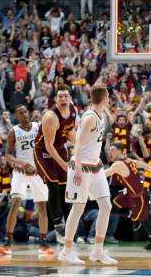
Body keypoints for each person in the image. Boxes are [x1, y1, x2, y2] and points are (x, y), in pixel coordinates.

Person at [58, 85, 117, 265]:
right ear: (105, 97)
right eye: (108, 96)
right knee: (78, 209)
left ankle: (97, 251)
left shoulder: (102, 114)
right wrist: (76, 167)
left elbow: (110, 117)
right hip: (81, 165)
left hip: (95, 165)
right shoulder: (89, 117)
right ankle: (66, 251)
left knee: (106, 206)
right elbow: (78, 144)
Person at [0, 105, 53, 255]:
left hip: (37, 171)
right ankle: (7, 241)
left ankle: (43, 242)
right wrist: (20, 162)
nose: (25, 115)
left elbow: (49, 145)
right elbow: (8, 155)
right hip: (20, 171)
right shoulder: (13, 131)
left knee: (42, 206)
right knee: (15, 203)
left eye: (26, 112)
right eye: (21, 113)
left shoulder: (38, 127)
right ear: (17, 116)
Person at [34, 84, 78, 244]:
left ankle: (70, 228)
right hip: (44, 152)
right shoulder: (50, 116)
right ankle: (57, 221)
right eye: (60, 96)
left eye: (66, 95)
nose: (63, 99)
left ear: (70, 98)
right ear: (55, 99)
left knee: (65, 187)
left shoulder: (73, 110)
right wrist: (64, 165)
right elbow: (48, 146)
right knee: (53, 183)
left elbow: (70, 131)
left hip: (59, 149)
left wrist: (79, 147)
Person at [104, 142, 151, 250]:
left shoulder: (118, 164)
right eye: (109, 150)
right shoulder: (128, 160)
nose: (109, 152)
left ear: (120, 151)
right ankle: (131, 214)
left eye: (112, 150)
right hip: (130, 194)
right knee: (114, 206)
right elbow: (143, 165)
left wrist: (91, 176)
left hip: (137, 196)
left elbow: (106, 173)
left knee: (143, 219)